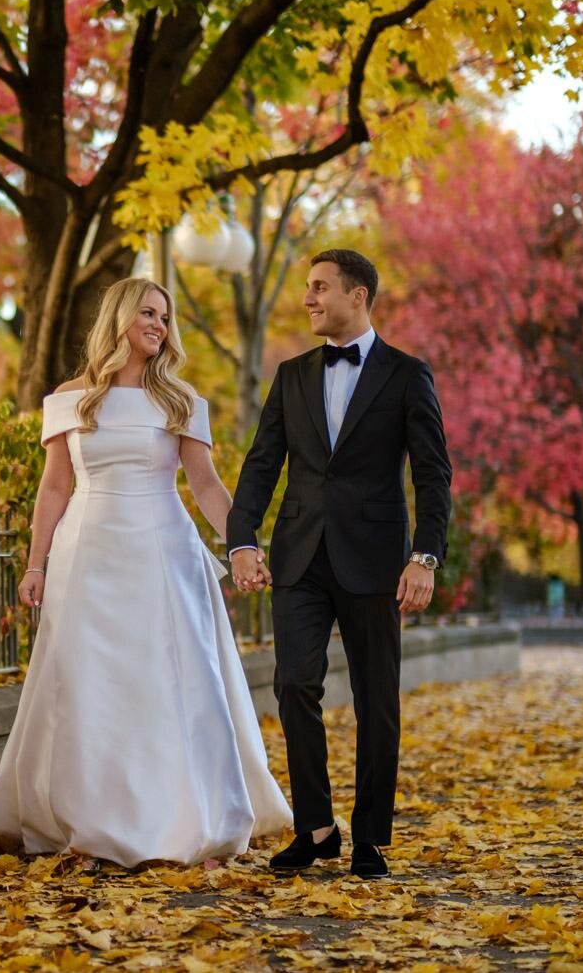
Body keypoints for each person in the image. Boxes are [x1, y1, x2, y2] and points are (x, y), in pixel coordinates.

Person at [0, 277, 292, 869]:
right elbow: (55, 486)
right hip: (86, 554)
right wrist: (35, 563)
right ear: (119, 317)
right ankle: (90, 827)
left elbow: (204, 485)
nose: (159, 325)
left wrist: (242, 544)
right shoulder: (72, 398)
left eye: (165, 318)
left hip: (163, 552)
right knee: (90, 687)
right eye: (148, 313)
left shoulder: (181, 400)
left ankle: (190, 820)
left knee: (173, 683)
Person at [227, 249, 452, 879]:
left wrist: (425, 557)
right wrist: (241, 540)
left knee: (376, 696)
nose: (308, 298)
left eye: (320, 287)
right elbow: (261, 463)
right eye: (306, 288)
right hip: (299, 556)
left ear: (358, 296)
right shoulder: (291, 374)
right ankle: (317, 828)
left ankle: (372, 838)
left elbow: (434, 475)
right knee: (295, 684)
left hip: (378, 560)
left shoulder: (407, 375)